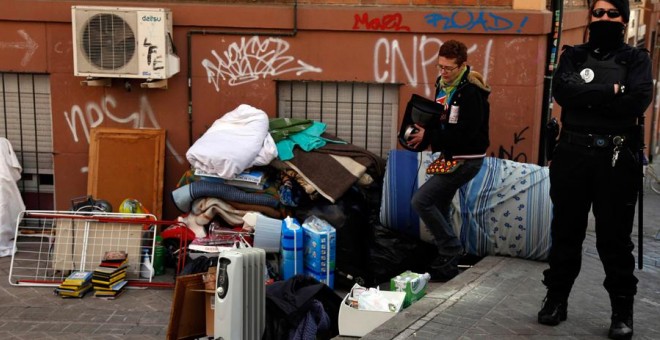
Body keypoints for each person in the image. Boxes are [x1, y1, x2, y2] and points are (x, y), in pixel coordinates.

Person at [538, 0, 653, 339]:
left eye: (612, 13)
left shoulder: (637, 59)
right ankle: (556, 300)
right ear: (590, 17)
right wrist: (611, 90)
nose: (604, 18)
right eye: (598, 13)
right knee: (565, 234)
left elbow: (637, 100)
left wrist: (587, 95)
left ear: (623, 19)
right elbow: (562, 91)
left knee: (614, 240)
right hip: (573, 155)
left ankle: (622, 310)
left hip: (615, 160)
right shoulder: (573, 54)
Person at [407, 40, 491, 281]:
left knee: (421, 201)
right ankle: (446, 261)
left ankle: (451, 249)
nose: (443, 72)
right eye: (440, 66)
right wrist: (422, 128)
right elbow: (441, 117)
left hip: (467, 159)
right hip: (450, 156)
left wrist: (431, 135)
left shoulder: (471, 92)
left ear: (462, 65)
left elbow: (466, 131)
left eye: (448, 68)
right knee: (440, 204)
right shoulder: (443, 84)